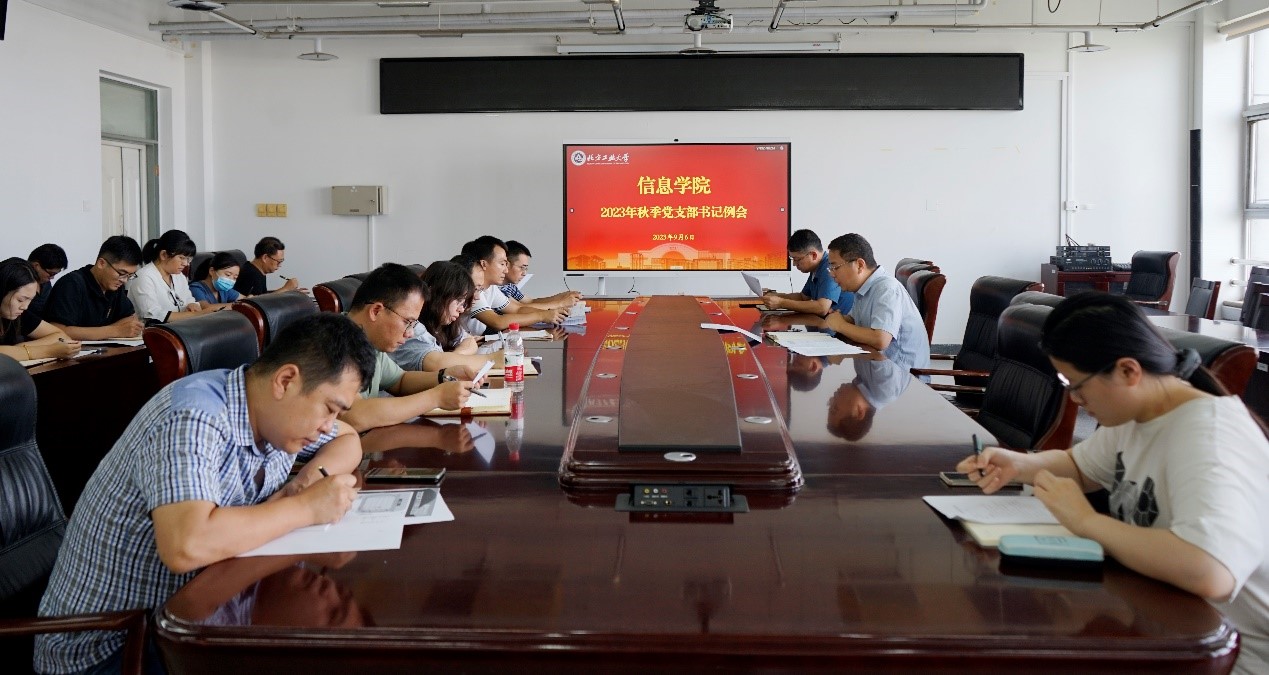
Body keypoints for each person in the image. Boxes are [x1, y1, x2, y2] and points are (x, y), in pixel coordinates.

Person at [34, 313, 376, 674]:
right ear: (286, 380)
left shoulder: (275, 416)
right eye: (329, 409)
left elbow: (347, 439)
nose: (327, 424)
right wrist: (305, 508)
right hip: (112, 646)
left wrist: (303, 485)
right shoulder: (194, 416)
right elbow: (187, 546)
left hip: (196, 615)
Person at [957, 292, 1269, 674]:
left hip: (1234, 654)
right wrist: (1020, 464)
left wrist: (1087, 522)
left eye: (1076, 385)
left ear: (1127, 371)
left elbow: (1210, 571)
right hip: (1170, 625)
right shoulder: (1139, 413)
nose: (1074, 399)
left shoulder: (1210, 439)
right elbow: (1080, 466)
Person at [339, 262, 481, 432]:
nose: (410, 333)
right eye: (407, 322)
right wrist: (437, 397)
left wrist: (445, 376)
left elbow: (400, 381)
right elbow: (355, 416)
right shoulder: (335, 342)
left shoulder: (368, 341)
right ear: (376, 311)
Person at [822, 233, 930, 370]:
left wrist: (840, 325)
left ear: (859, 265)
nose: (832, 274)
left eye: (835, 267)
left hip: (902, 376)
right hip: (878, 367)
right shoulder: (862, 287)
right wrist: (840, 318)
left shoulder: (886, 288)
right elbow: (856, 320)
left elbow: (880, 340)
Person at [391, 260, 504, 372]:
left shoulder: (443, 323)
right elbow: (436, 364)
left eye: (463, 303)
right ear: (435, 294)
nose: (461, 309)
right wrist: (491, 359)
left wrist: (453, 357)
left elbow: (470, 341)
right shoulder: (412, 327)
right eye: (458, 301)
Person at [43, 236, 146, 340]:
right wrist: (115, 331)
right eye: (122, 273)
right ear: (101, 263)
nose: (124, 280)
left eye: (130, 275)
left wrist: (105, 332)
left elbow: (131, 320)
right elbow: (57, 330)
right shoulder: (72, 284)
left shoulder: (115, 286)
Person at [460, 236, 567, 336]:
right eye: (502, 264)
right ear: (484, 264)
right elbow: (498, 322)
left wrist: (548, 314)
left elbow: (517, 309)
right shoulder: (472, 290)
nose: (506, 270)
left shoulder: (491, 288)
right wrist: (542, 316)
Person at [126, 229, 219, 323]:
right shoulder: (144, 276)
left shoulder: (179, 276)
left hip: (179, 327)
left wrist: (192, 305)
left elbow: (189, 299)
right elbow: (153, 315)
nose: (186, 264)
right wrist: (198, 315)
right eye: (182, 258)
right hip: (151, 330)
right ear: (164, 255)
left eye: (188, 259)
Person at [0, 258, 79, 362]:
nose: (25, 307)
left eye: (30, 300)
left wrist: (16, 351)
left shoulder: (19, 314)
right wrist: (47, 351)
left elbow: (60, 336)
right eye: (20, 300)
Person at [760, 229, 853, 316]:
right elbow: (803, 297)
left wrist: (781, 303)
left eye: (797, 259)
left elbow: (822, 308)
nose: (794, 264)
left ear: (813, 255)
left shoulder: (829, 268)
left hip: (837, 325)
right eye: (792, 259)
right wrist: (775, 296)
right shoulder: (816, 268)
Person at [499, 240, 582, 308]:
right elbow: (520, 308)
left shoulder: (509, 286)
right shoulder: (497, 289)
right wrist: (561, 303)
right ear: (506, 264)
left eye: (526, 268)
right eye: (522, 267)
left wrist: (562, 296)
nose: (524, 273)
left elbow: (530, 302)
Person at [234, 237, 302, 297]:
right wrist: (285, 289)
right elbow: (258, 302)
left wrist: (289, 291)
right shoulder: (251, 275)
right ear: (265, 258)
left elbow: (262, 295)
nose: (280, 265)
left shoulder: (255, 270)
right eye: (279, 261)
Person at [26, 243, 68, 317]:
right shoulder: (18, 281)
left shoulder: (46, 284)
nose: (52, 278)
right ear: (36, 266)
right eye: (51, 274)